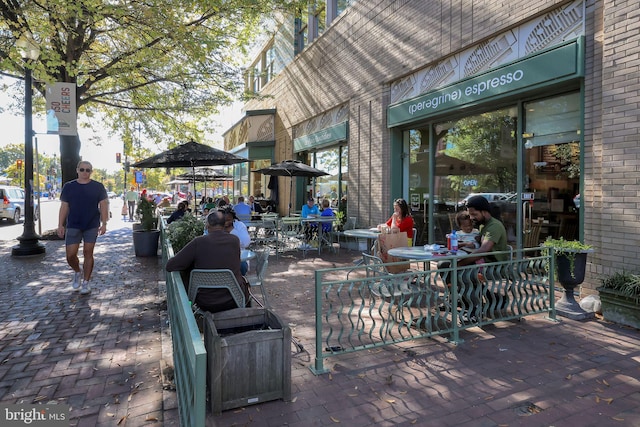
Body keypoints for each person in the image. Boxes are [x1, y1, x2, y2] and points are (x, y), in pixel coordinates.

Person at [165, 210, 248, 313]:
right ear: (224, 224)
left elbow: (170, 265)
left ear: (207, 225)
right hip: (234, 298)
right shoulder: (235, 241)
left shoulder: (198, 242)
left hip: (204, 301)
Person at [57, 161, 109, 295]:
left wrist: (104, 223)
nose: (85, 172)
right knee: (70, 255)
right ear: (77, 170)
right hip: (73, 224)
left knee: (88, 252)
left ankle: (86, 282)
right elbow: (64, 206)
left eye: (88, 170)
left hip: (91, 224)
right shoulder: (69, 187)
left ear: (91, 172)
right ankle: (77, 271)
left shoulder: (98, 187)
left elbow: (104, 205)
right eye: (82, 169)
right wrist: (60, 225)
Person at [220, 206, 251, 275]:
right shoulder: (216, 226)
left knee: (241, 266)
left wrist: (232, 230)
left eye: (229, 220)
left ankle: (239, 284)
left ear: (233, 219)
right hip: (220, 257)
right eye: (224, 220)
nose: (226, 222)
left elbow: (246, 243)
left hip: (239, 258)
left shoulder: (239, 226)